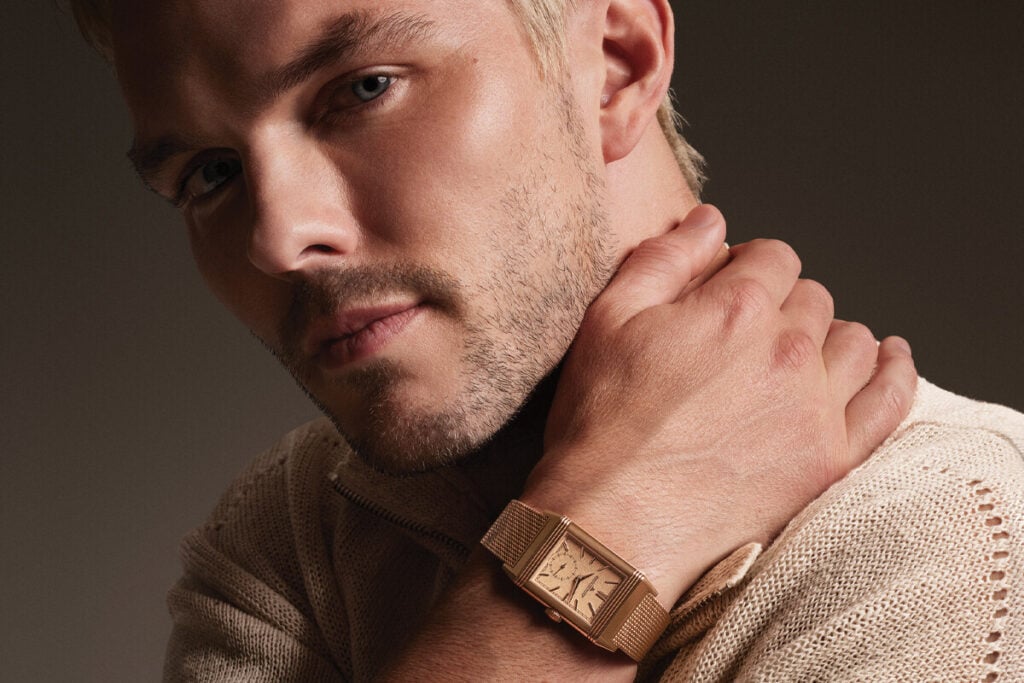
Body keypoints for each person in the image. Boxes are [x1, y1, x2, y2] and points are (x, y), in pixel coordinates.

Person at [72, 0, 1022, 680]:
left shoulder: (945, 539)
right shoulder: (292, 531)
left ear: (614, 64)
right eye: (208, 173)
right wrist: (608, 531)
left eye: (361, 89)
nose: (276, 238)